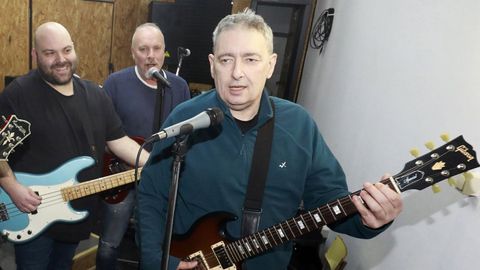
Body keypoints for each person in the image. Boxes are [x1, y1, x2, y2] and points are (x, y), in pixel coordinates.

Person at [137, 9, 403, 270]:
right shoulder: (185, 119)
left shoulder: (299, 126)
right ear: (212, 64)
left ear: (271, 65)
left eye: (251, 59)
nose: (237, 72)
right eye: (226, 59)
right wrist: (158, 262)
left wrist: (371, 220)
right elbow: (151, 195)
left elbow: (329, 201)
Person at [0, 22, 149, 269]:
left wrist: (154, 162)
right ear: (35, 55)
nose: (61, 59)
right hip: (31, 214)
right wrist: (12, 186)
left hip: (76, 214)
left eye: (67, 50)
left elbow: (119, 141)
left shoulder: (95, 95)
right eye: (50, 53)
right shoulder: (19, 95)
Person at [96, 23, 190, 269]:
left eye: (157, 48)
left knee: (154, 246)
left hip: (161, 181)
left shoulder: (178, 87)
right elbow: (102, 135)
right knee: (109, 244)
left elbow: (186, 136)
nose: (151, 55)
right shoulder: (115, 83)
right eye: (143, 49)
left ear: (164, 51)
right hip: (120, 177)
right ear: (132, 52)